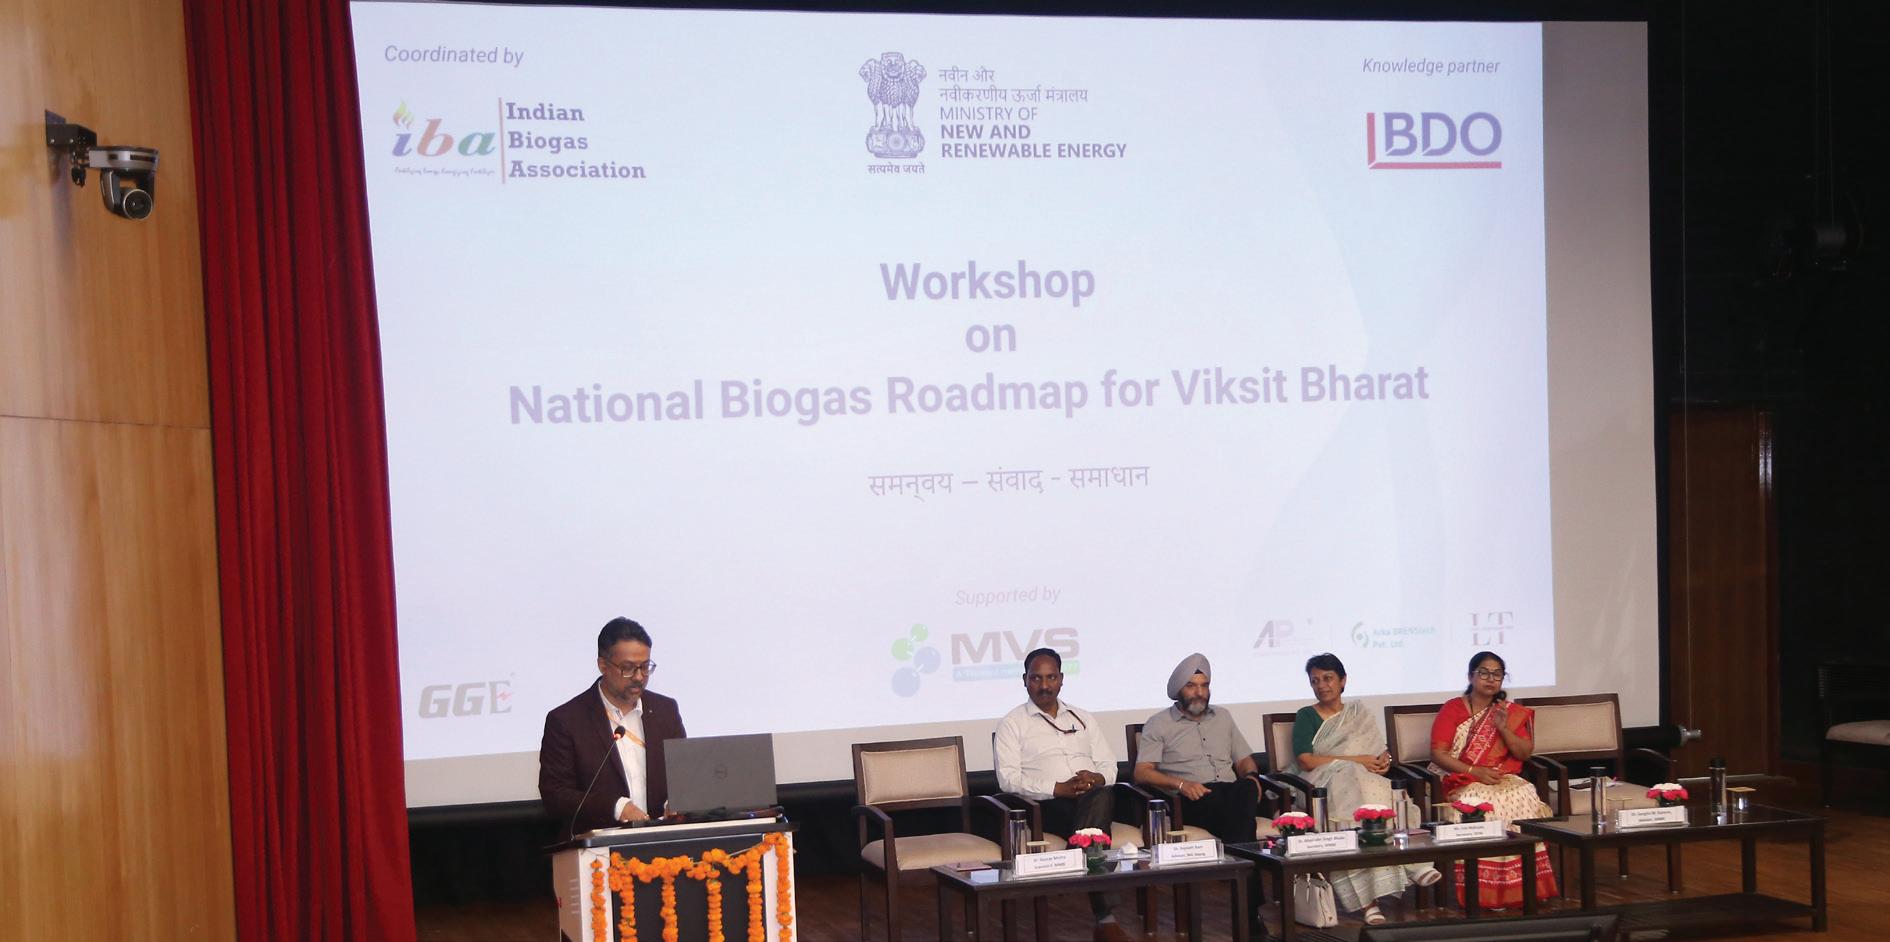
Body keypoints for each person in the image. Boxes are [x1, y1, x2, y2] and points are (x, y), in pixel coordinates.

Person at [1288, 653, 1440, 925]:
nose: (1321, 685)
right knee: (1354, 798)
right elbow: (1306, 761)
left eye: (1328, 678)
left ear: (1343, 681)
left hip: (1363, 780)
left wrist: (1383, 761)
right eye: (1315, 680)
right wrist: (1357, 761)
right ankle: (1369, 903)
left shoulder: (1359, 714)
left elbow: (1377, 752)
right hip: (1321, 785)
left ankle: (1413, 863)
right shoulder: (1306, 715)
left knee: (1385, 798)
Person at [994, 648, 1131, 942]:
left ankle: (1075, 861)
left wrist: (1096, 778)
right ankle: (1105, 917)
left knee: (1101, 796)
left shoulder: (1084, 718)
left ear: (1061, 679)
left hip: (1090, 799)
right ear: (1024, 680)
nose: (1044, 685)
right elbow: (1008, 779)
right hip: (1045, 806)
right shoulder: (1012, 723)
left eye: (1051, 677)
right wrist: (1058, 788)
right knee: (1097, 818)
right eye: (1036, 678)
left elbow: (1109, 766)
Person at [1134, 653, 1267, 931]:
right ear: (1178, 691)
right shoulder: (1159, 723)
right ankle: (1249, 912)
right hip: (1193, 799)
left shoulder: (1223, 717)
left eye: (1204, 685)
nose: (1199, 692)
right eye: (1191, 686)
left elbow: (1244, 760)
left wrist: (1253, 776)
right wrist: (1181, 785)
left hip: (1232, 794)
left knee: (1244, 791)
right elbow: (1142, 772)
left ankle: (1241, 890)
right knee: (1242, 818)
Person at [1426, 650, 1558, 908]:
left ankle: (1523, 888)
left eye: (1497, 674)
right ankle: (1488, 891)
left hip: (1502, 778)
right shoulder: (1453, 708)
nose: (1490, 679)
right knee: (1486, 805)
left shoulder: (1508, 713)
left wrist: (1503, 728)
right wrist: (1474, 771)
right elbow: (1438, 754)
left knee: (1524, 794)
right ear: (1470, 676)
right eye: (1484, 672)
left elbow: (1524, 753)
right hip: (1462, 779)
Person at [539, 617, 687, 834]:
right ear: (603, 666)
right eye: (628, 668)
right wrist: (617, 807)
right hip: (601, 847)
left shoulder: (665, 711)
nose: (639, 677)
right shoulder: (567, 720)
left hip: (663, 842)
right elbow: (555, 794)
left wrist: (676, 802)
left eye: (645, 667)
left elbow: (683, 774)